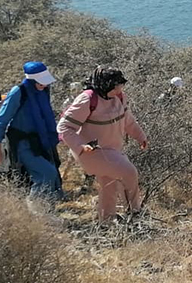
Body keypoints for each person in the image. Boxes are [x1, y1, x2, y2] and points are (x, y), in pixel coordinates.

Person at [57, 67, 149, 222]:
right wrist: (80, 146)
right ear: (105, 85)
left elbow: (128, 120)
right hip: (92, 153)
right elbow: (64, 127)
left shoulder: (119, 97)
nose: (120, 89)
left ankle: (105, 223)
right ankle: (134, 214)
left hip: (112, 151)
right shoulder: (87, 99)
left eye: (120, 85)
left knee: (109, 187)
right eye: (116, 86)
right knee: (129, 172)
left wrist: (141, 137)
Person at [0, 61, 64, 209]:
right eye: (41, 82)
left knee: (51, 176)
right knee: (46, 174)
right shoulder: (18, 92)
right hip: (23, 145)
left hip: (42, 142)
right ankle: (35, 210)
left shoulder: (43, 91)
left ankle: (46, 212)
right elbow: (0, 121)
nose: (44, 85)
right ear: (31, 80)